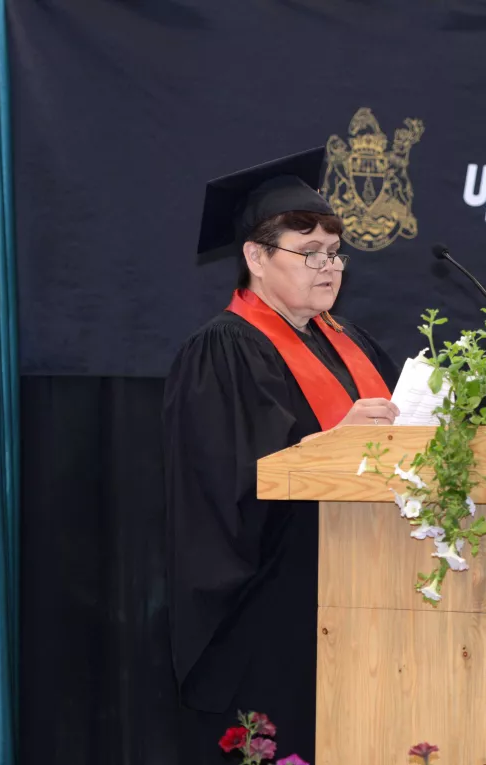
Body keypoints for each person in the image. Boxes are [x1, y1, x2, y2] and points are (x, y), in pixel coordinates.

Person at [163, 147, 401, 763]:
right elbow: (227, 483)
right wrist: (331, 444)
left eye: (334, 254)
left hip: (370, 593)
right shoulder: (222, 351)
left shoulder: (355, 343)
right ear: (255, 258)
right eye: (308, 253)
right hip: (273, 611)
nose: (328, 268)